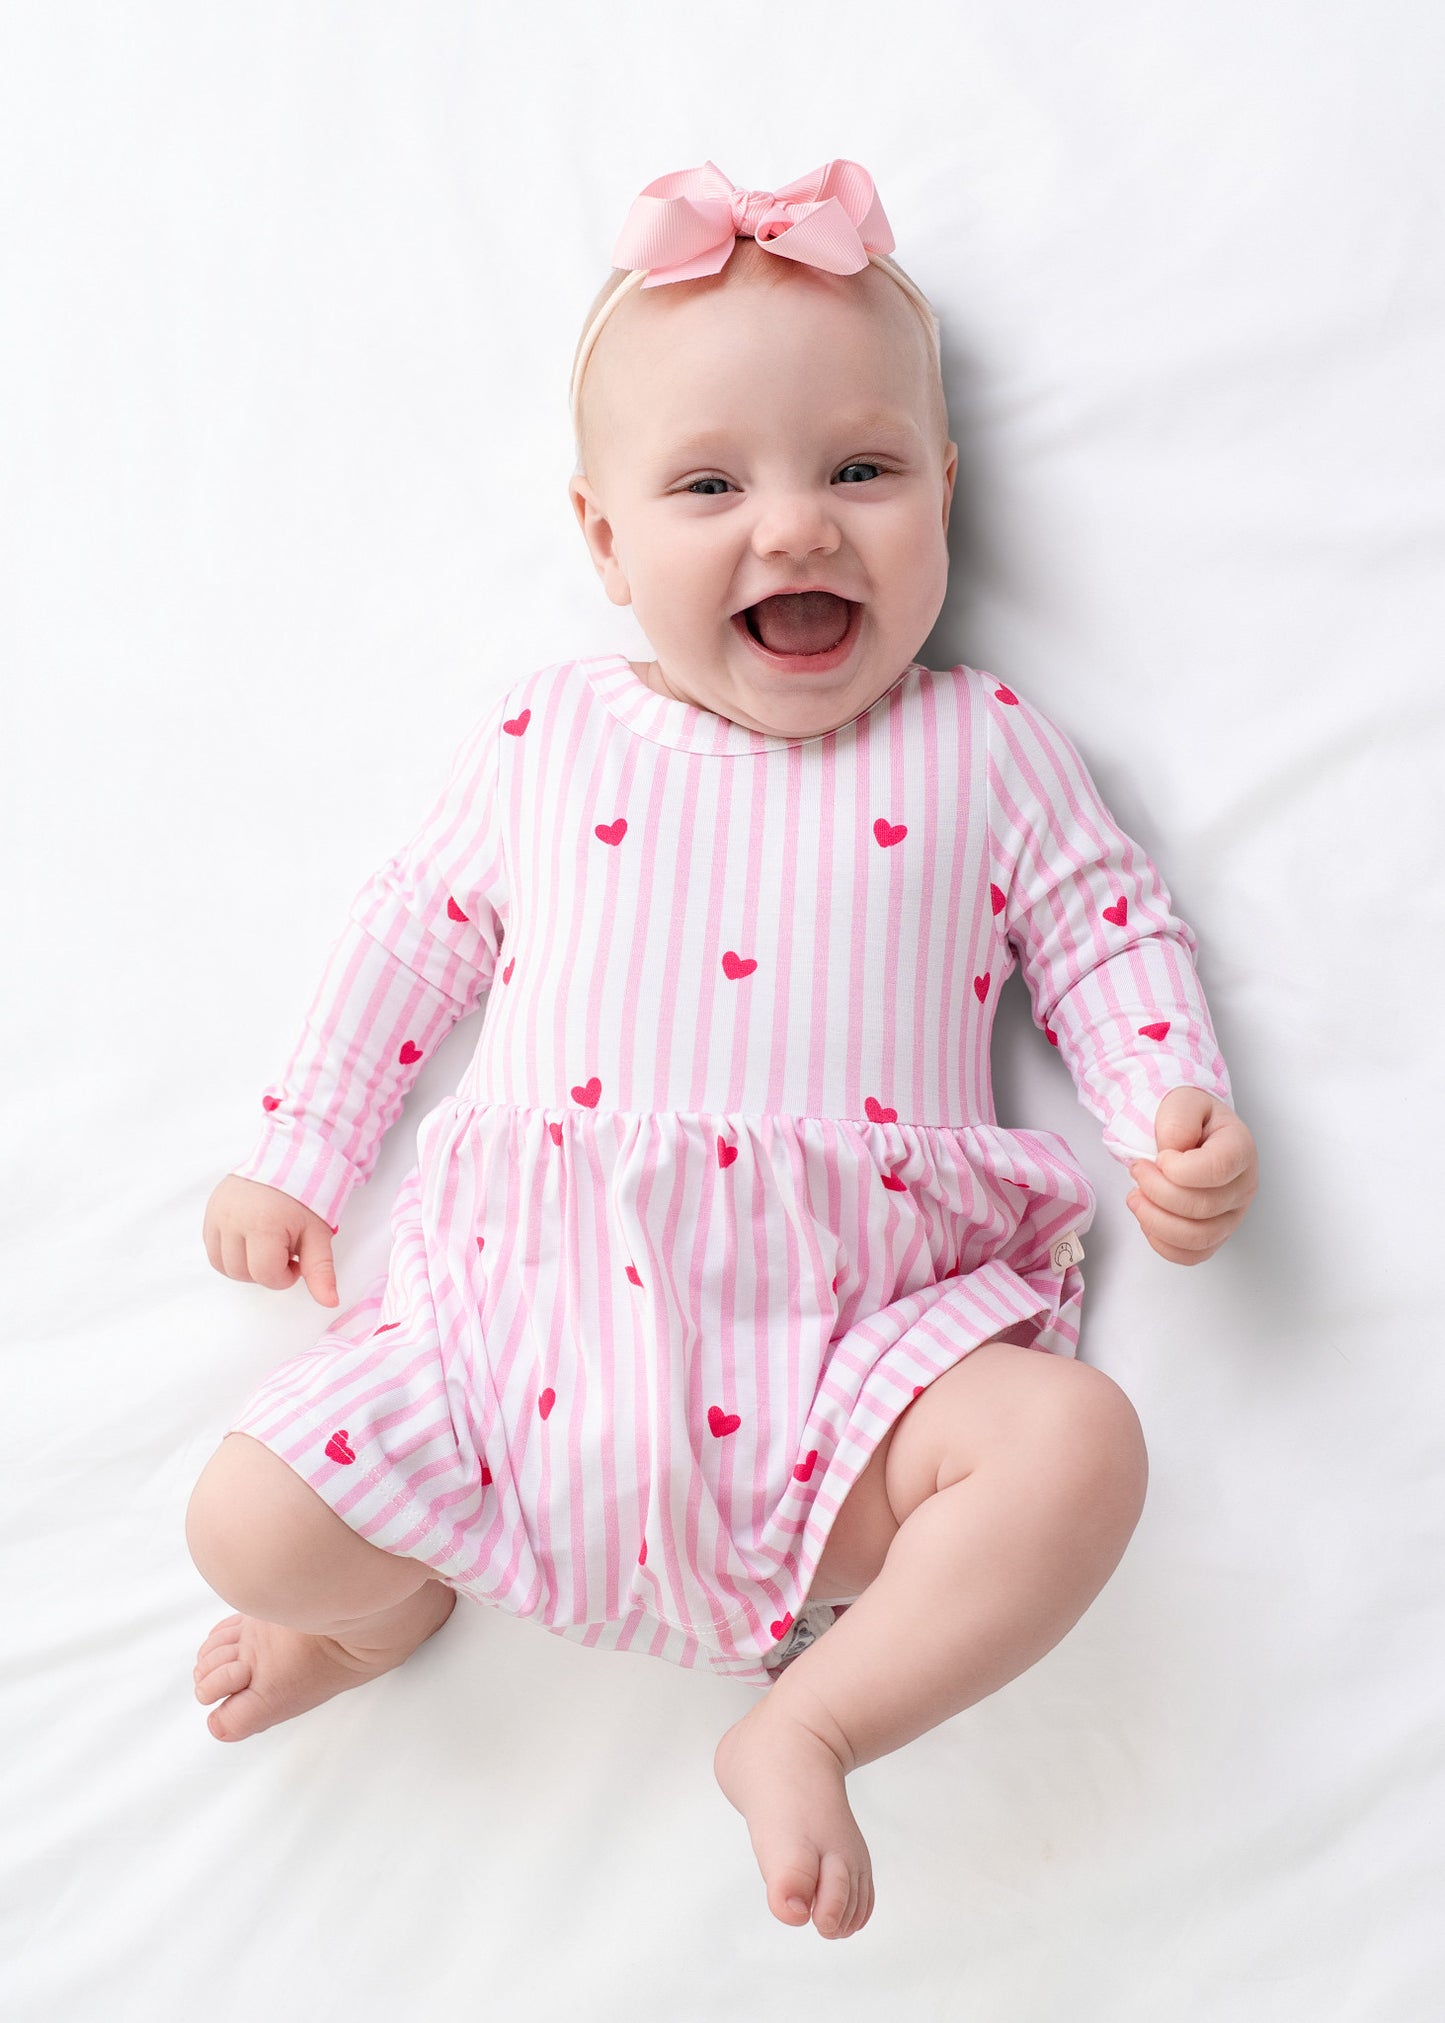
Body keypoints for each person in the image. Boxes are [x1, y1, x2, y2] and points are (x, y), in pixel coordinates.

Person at [186, 159, 1259, 1942]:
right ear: (603, 539)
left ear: (943, 498)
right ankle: (379, 1613)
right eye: (707, 485)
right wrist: (297, 1150)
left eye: (859, 470)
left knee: (1073, 1449)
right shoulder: (547, 739)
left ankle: (812, 1720)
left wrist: (1167, 1107)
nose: (794, 528)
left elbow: (1100, 921)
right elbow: (408, 940)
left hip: (855, 1368)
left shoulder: (980, 747)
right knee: (246, 1518)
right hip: (520, 1342)